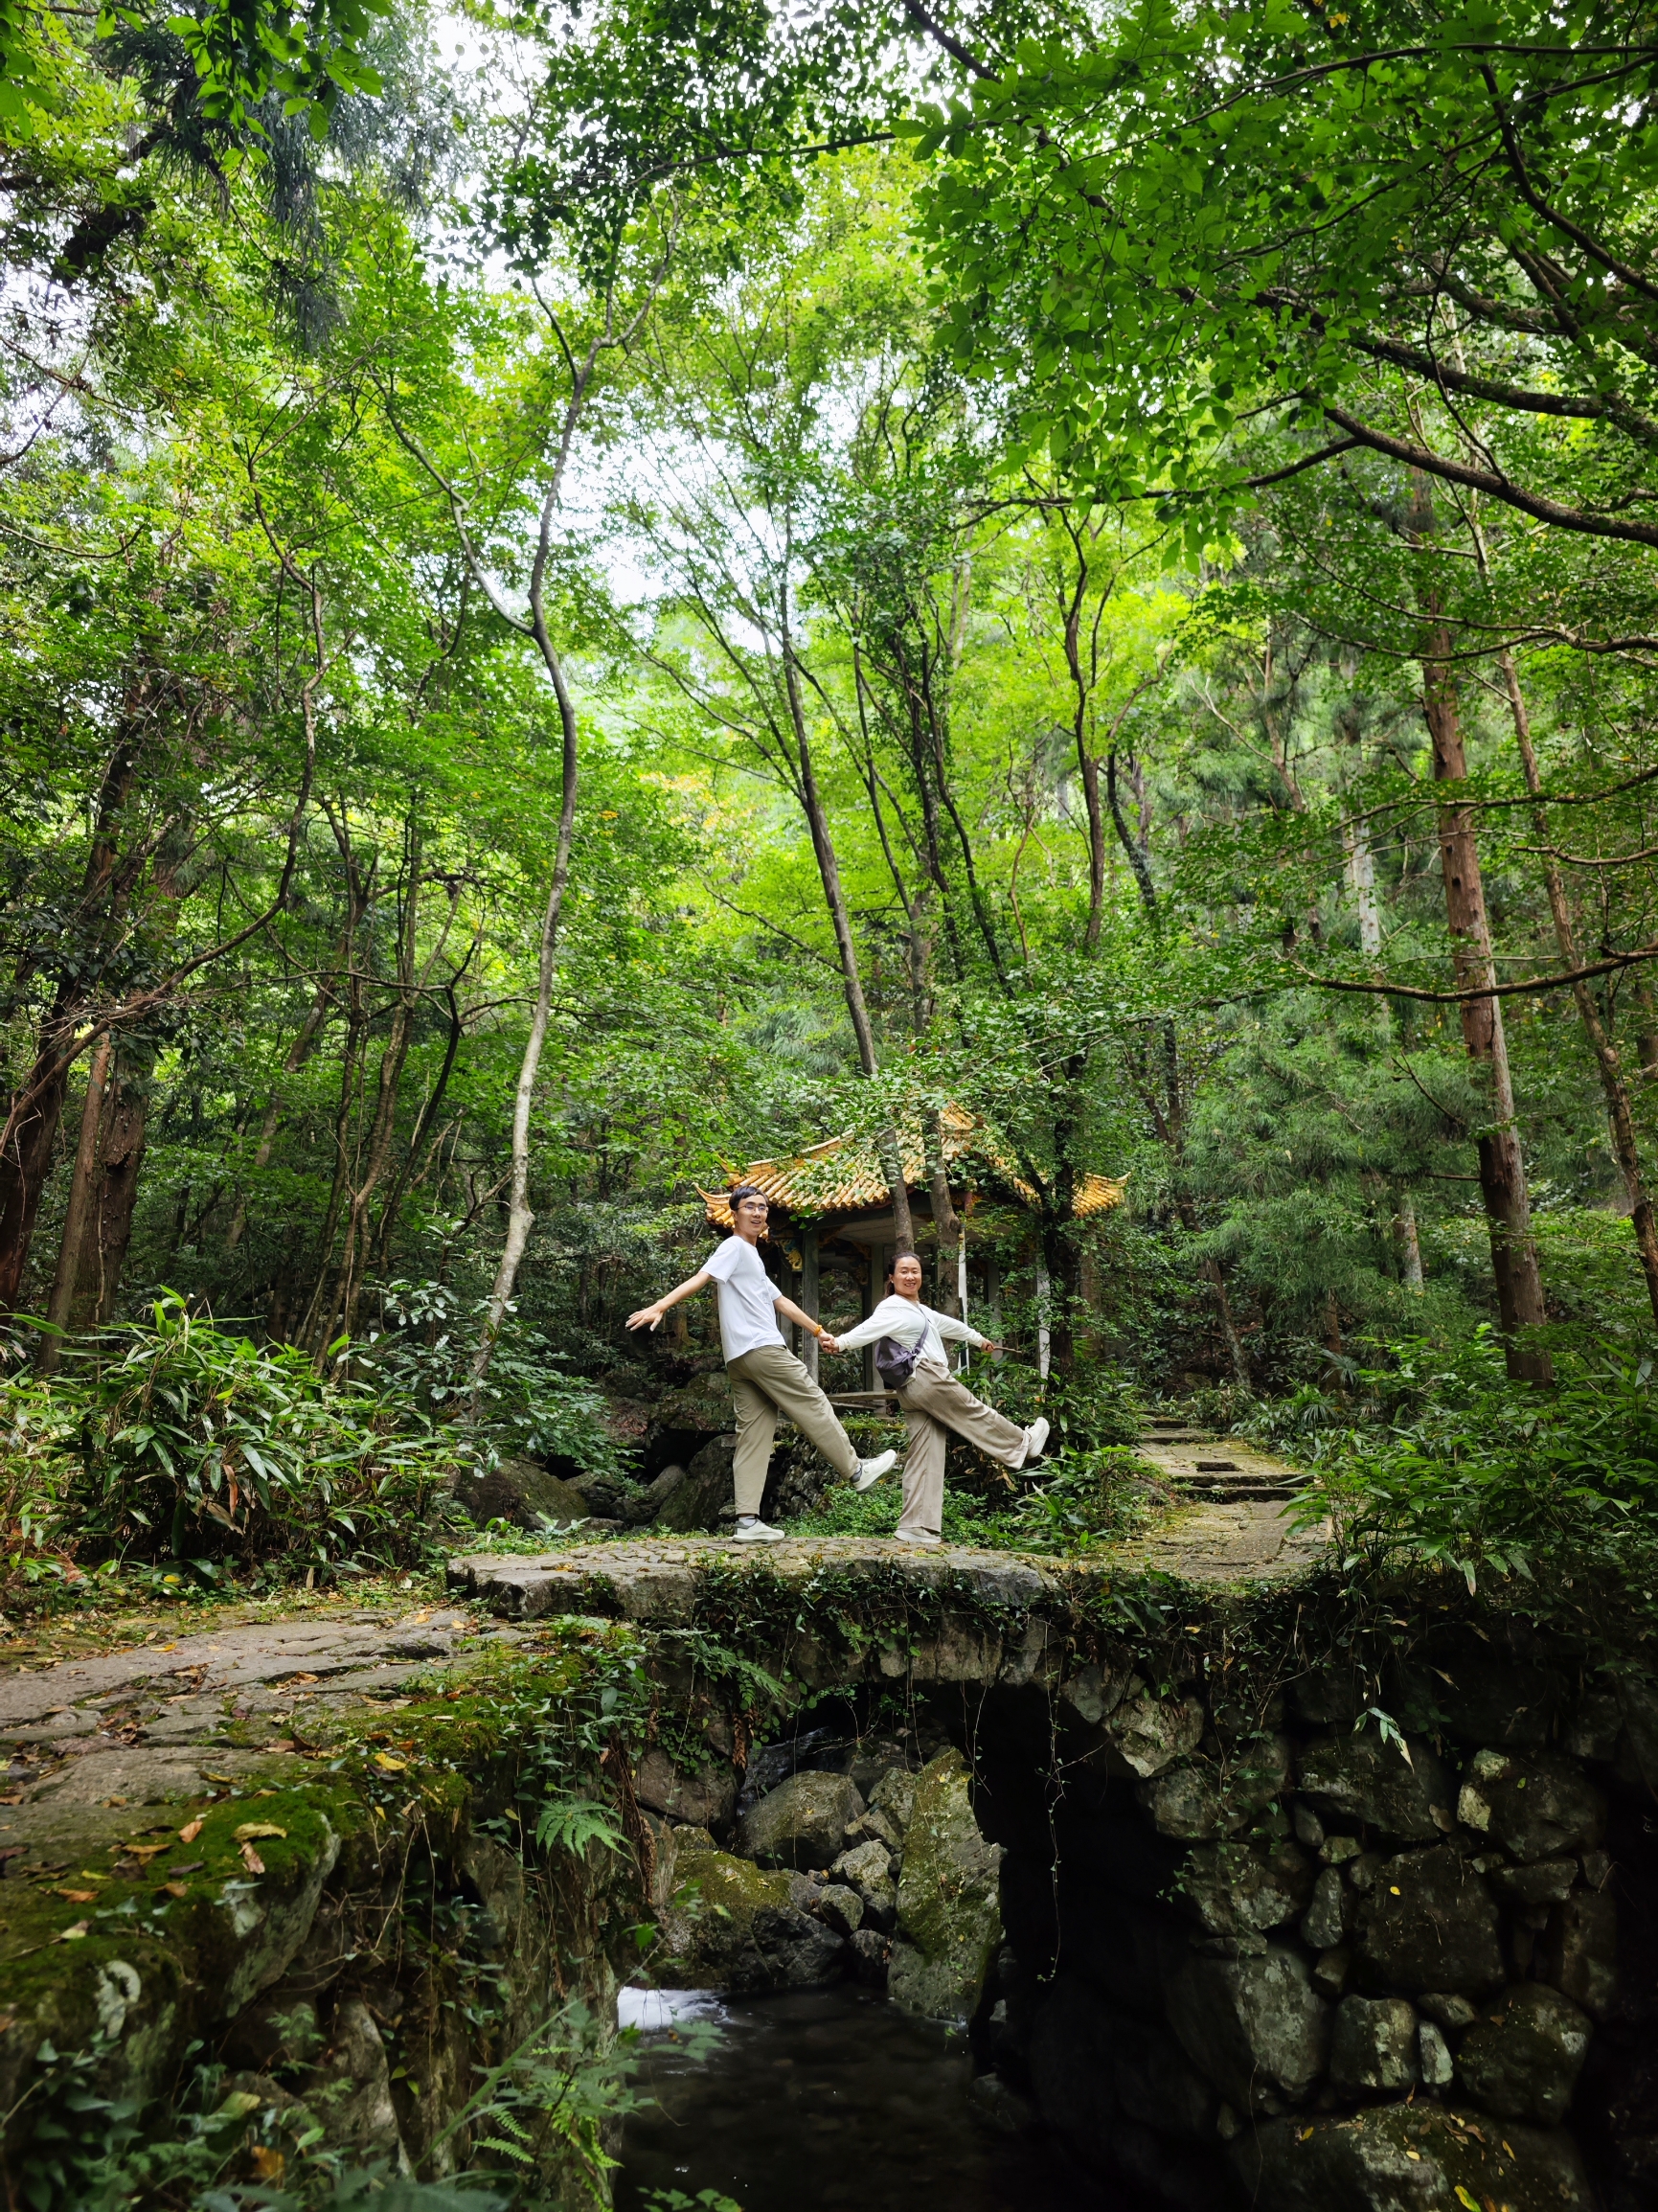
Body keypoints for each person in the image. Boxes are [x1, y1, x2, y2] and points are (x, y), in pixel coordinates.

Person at [625, 1185, 897, 1542]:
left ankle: (747, 1521)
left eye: (763, 1207)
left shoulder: (752, 1258)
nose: (757, 1212)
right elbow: (702, 1277)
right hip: (761, 1347)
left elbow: (781, 1301)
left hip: (739, 1358)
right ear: (734, 1214)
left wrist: (817, 1331)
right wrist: (661, 1305)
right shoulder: (734, 1247)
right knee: (811, 1400)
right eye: (749, 1206)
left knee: (753, 1436)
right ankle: (856, 1469)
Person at [821, 1253, 1050, 1547]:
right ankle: (1022, 1444)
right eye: (903, 1272)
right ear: (891, 1278)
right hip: (927, 1376)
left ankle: (916, 1526)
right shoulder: (892, 1306)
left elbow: (951, 1326)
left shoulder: (921, 1311)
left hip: (910, 1389)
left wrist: (978, 1340)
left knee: (925, 1452)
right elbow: (869, 1329)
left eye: (915, 1271)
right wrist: (840, 1342)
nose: (910, 1276)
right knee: (973, 1411)